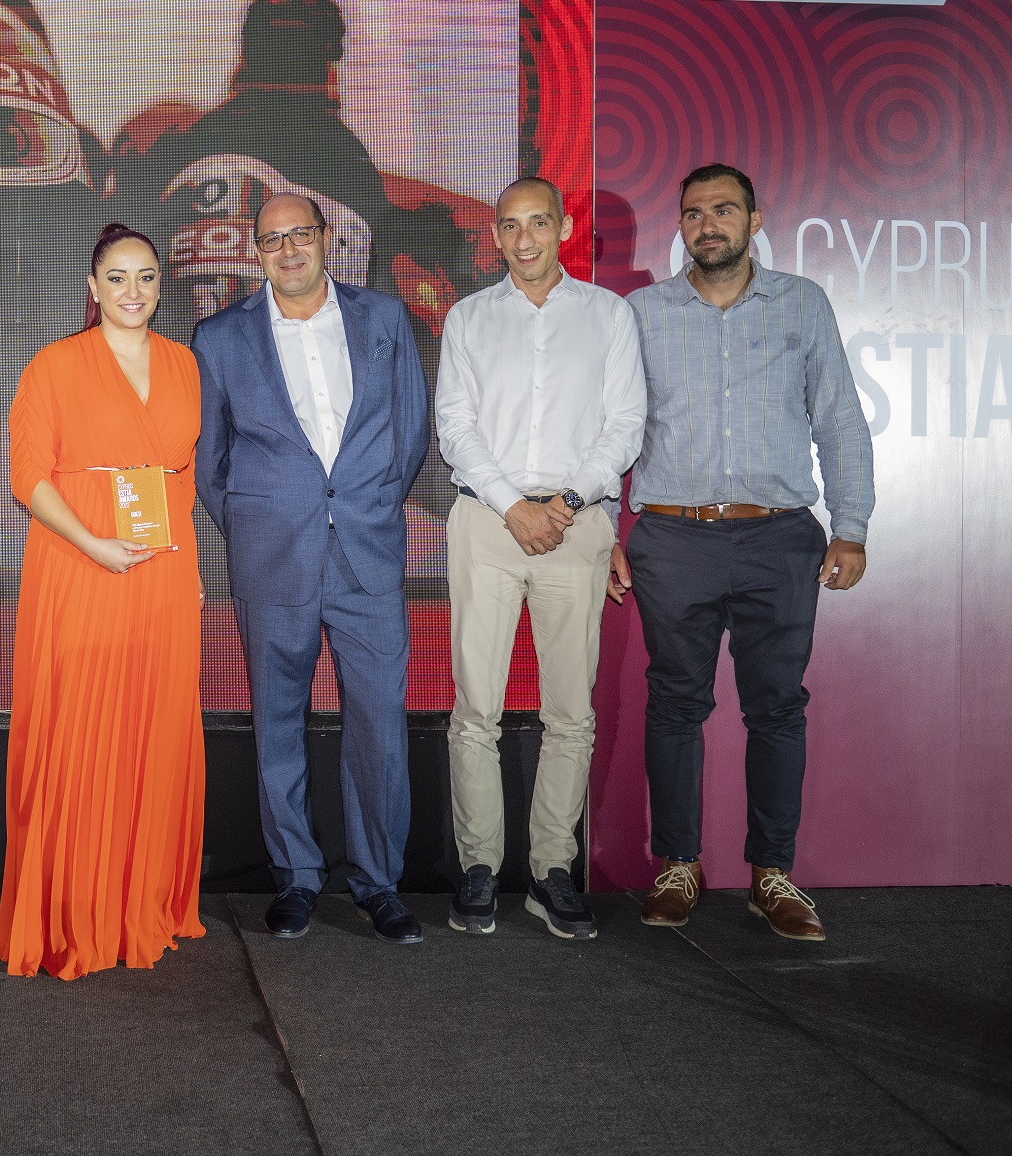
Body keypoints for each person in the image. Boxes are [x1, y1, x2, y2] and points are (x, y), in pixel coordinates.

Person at [614, 163, 873, 942]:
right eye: (694, 213)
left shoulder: (802, 303)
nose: (708, 225)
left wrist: (852, 525)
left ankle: (772, 875)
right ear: (681, 226)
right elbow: (611, 429)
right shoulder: (642, 313)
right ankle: (678, 866)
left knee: (778, 707)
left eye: (724, 210)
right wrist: (599, 526)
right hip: (673, 537)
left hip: (778, 537)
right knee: (674, 705)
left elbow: (839, 418)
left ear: (754, 221)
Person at [194, 192, 431, 943]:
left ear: (327, 238)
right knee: (278, 722)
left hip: (367, 555)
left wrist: (370, 505)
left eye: (301, 234)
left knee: (380, 726)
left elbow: (410, 432)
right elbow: (211, 464)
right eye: (272, 240)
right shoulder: (219, 336)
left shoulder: (384, 318)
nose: (289, 250)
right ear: (255, 251)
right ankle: (296, 876)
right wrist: (261, 523)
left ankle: (378, 882)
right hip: (272, 558)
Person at [0, 224, 206, 978]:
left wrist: (188, 568)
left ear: (161, 284)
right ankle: (76, 916)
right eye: (116, 277)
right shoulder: (55, 364)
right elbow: (28, 476)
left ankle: (140, 906)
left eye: (146, 276)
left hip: (163, 575)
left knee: (153, 733)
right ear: (92, 287)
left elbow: (181, 478)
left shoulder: (184, 364)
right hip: (82, 566)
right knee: (81, 735)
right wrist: (92, 543)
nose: (132, 291)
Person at [434, 177, 644, 940]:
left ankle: (553, 869)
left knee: (571, 713)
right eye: (510, 225)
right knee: (475, 710)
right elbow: (455, 427)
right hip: (486, 520)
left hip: (575, 523)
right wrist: (513, 506)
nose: (524, 239)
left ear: (564, 228)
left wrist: (568, 502)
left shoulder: (608, 315)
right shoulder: (467, 317)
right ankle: (480, 868)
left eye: (538, 223)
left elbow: (625, 425)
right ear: (496, 235)